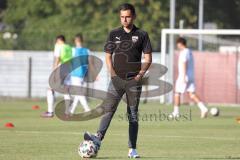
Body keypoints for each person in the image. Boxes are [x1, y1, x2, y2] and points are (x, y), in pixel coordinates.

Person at [83, 3, 152, 158]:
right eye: (122, 17)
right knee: (108, 110)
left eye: (127, 16)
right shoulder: (113, 34)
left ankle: (132, 149)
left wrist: (140, 75)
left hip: (134, 81)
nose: (125, 19)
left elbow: (148, 58)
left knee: (132, 115)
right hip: (116, 80)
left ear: (134, 16)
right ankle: (98, 139)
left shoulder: (142, 34)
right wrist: (112, 73)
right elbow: (108, 56)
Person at [170, 37, 208, 118]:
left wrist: (183, 77)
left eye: (178, 44)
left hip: (184, 76)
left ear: (180, 44)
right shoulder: (189, 51)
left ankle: (176, 112)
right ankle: (203, 108)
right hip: (191, 75)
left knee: (177, 93)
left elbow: (184, 63)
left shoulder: (184, 52)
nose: (177, 46)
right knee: (192, 94)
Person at [41, 35, 72, 118]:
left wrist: (54, 69)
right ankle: (67, 112)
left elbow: (57, 58)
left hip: (61, 69)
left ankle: (50, 112)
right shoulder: (69, 47)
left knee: (50, 88)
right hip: (69, 69)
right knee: (66, 90)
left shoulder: (59, 46)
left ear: (59, 40)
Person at [67, 33, 93, 114]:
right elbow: (90, 63)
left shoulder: (73, 50)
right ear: (82, 40)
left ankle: (87, 109)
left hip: (75, 74)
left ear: (75, 41)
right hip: (83, 74)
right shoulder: (87, 50)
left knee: (78, 92)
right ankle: (72, 110)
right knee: (78, 93)